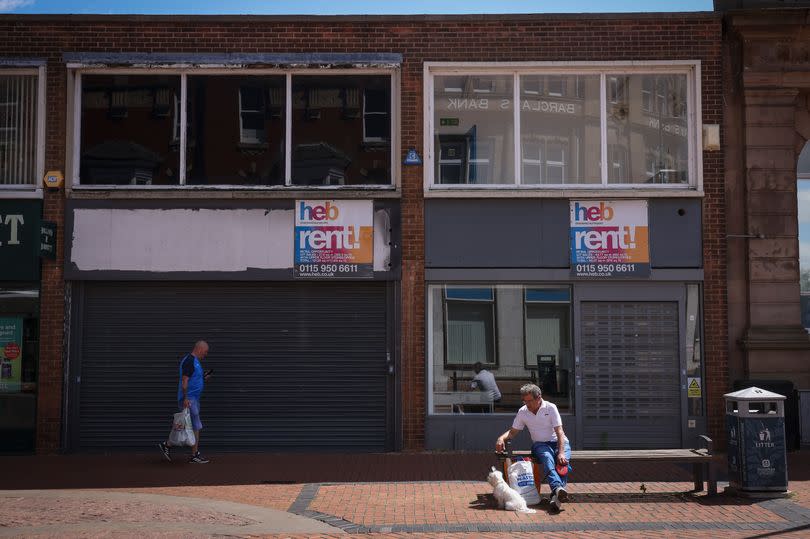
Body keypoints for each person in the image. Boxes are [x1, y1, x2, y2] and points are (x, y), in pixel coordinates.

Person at [495, 384, 570, 512]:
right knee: (547, 458)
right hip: (540, 444)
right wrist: (501, 438)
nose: (527, 404)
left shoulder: (551, 408)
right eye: (524, 400)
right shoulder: (523, 411)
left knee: (562, 464)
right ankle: (558, 488)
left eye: (529, 400)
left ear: (539, 397)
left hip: (560, 442)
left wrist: (561, 452)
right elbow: (513, 432)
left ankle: (555, 497)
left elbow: (559, 431)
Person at [158, 340, 211, 464]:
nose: (206, 354)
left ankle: (167, 445)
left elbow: (193, 378)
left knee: (184, 426)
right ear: (199, 349)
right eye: (205, 352)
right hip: (189, 399)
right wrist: (186, 398)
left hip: (193, 399)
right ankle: (194, 455)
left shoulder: (196, 362)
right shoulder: (189, 361)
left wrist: (203, 377)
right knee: (196, 426)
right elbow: (185, 381)